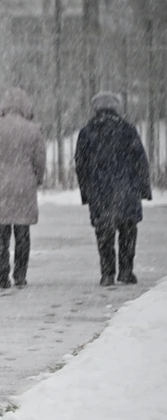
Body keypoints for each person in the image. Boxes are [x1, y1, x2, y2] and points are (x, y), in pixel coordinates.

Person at [74, 92, 152, 287]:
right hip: (126, 190)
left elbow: (80, 165)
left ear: (95, 108)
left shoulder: (87, 132)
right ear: (116, 108)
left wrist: (86, 193)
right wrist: (143, 189)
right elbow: (140, 160)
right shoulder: (127, 130)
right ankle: (126, 271)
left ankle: (107, 273)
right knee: (128, 231)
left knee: (104, 233)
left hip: (100, 192)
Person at [0, 87, 47, 289]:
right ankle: (20, 273)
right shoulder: (33, 130)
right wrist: (37, 178)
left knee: (1, 231)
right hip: (24, 184)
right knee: (22, 231)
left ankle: (3, 272)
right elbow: (40, 160)